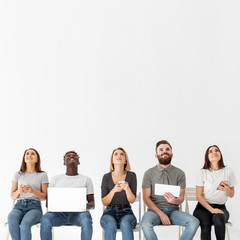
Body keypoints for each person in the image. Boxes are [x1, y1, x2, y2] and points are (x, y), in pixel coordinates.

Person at [141, 140, 199, 240]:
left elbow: (181, 198)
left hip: (173, 211)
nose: (165, 151)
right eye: (161, 150)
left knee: (194, 222)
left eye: (167, 149)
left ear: (172, 154)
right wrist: (161, 214)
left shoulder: (180, 173)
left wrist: (174, 201)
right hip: (154, 211)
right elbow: (146, 199)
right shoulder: (149, 173)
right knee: (145, 224)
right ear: (156, 155)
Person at [40, 150, 94, 240]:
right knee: (45, 219)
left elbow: (92, 204)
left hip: (78, 214)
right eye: (68, 156)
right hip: (58, 214)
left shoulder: (86, 179)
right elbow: (48, 204)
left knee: (86, 219)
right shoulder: (55, 179)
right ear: (64, 162)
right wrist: (61, 204)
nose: (71, 156)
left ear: (78, 161)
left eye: (74, 155)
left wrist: (80, 205)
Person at [193, 145, 238, 240]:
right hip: (202, 208)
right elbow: (199, 196)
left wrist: (226, 189)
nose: (214, 152)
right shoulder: (202, 172)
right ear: (207, 157)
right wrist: (211, 210)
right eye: (211, 151)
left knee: (218, 218)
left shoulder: (228, 171)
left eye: (216, 150)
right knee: (205, 224)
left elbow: (232, 194)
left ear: (220, 155)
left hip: (221, 207)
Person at [8, 148, 49, 240]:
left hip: (34, 208)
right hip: (18, 206)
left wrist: (32, 191)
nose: (29, 155)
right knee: (11, 218)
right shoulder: (18, 174)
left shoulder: (42, 175)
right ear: (24, 158)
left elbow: (45, 197)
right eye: (27, 153)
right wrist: (19, 191)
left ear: (37, 159)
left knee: (25, 225)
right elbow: (12, 196)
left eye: (32, 154)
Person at [100, 147, 137, 240]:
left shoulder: (132, 176)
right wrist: (113, 190)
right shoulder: (106, 177)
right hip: (109, 212)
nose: (119, 156)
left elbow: (132, 200)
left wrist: (128, 189)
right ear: (112, 160)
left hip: (127, 212)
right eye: (116, 154)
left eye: (122, 154)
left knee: (125, 224)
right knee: (110, 224)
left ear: (125, 161)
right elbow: (104, 202)